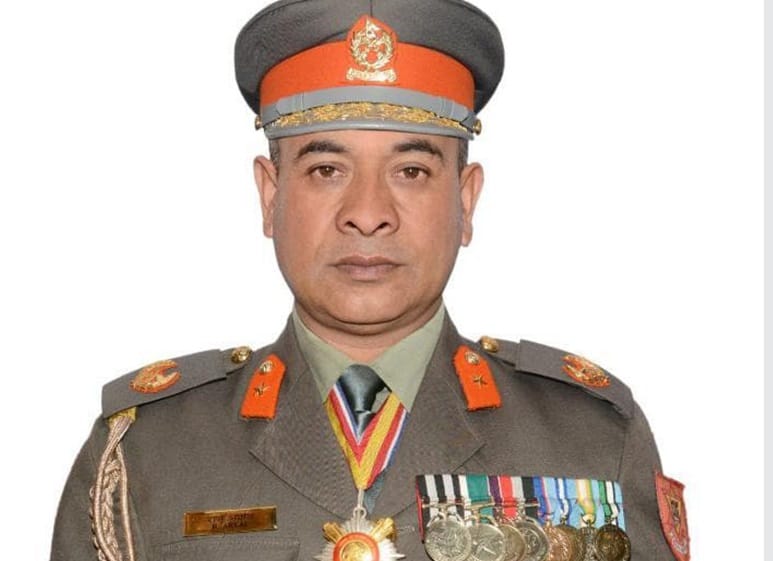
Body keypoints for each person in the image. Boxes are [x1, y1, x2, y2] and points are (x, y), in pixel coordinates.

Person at [51, 1, 689, 560]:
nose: (367, 212)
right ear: (270, 196)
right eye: (326, 169)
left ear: (465, 201)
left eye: (411, 171)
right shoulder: (145, 454)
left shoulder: (592, 438)